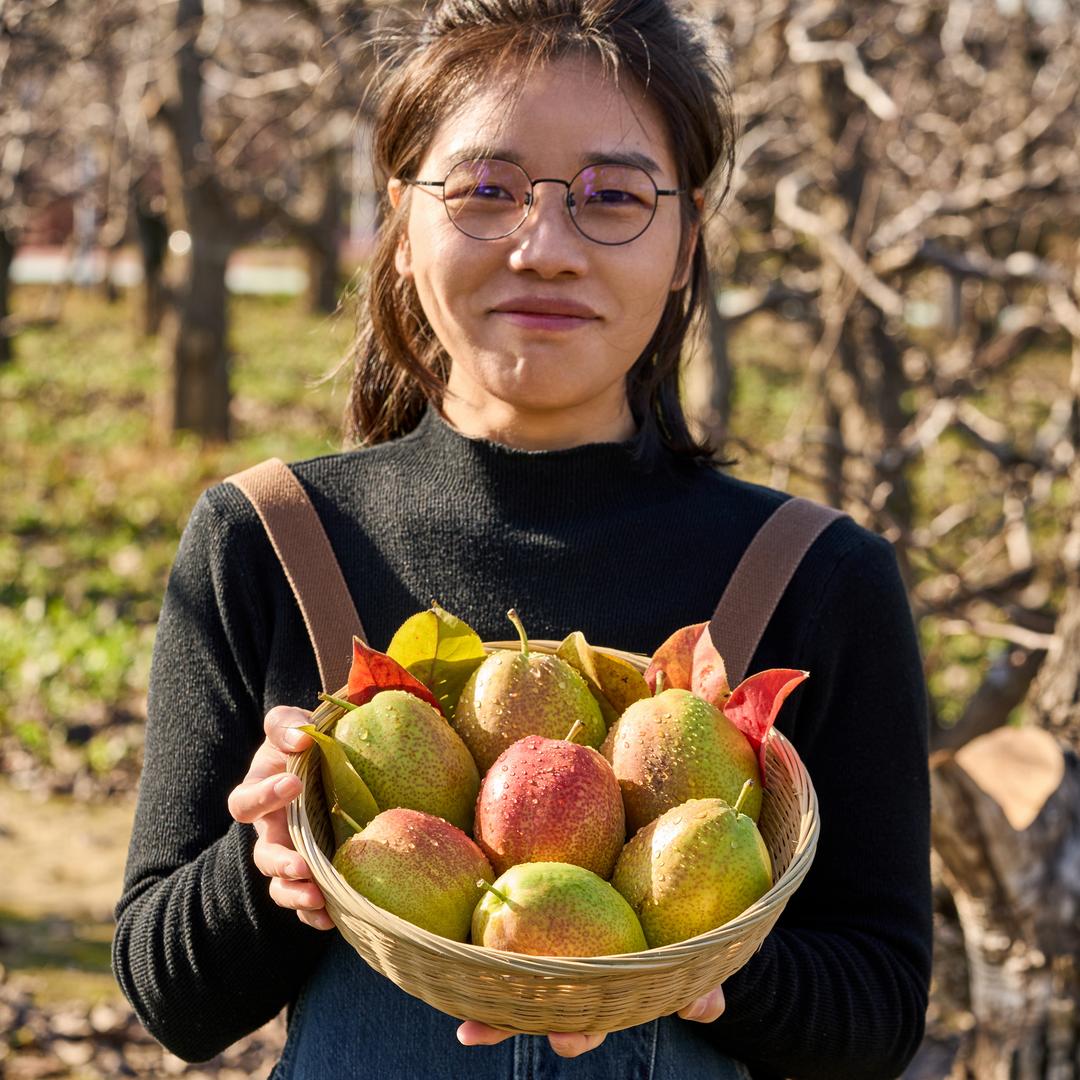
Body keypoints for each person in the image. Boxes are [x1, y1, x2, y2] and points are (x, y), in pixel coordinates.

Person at [112, 1, 933, 1077]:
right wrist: (267, 863)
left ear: (686, 244)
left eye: (614, 197)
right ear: (402, 223)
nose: (544, 248)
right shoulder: (269, 541)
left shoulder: (817, 577)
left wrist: (691, 968)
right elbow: (170, 998)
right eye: (487, 191)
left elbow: (878, 1012)